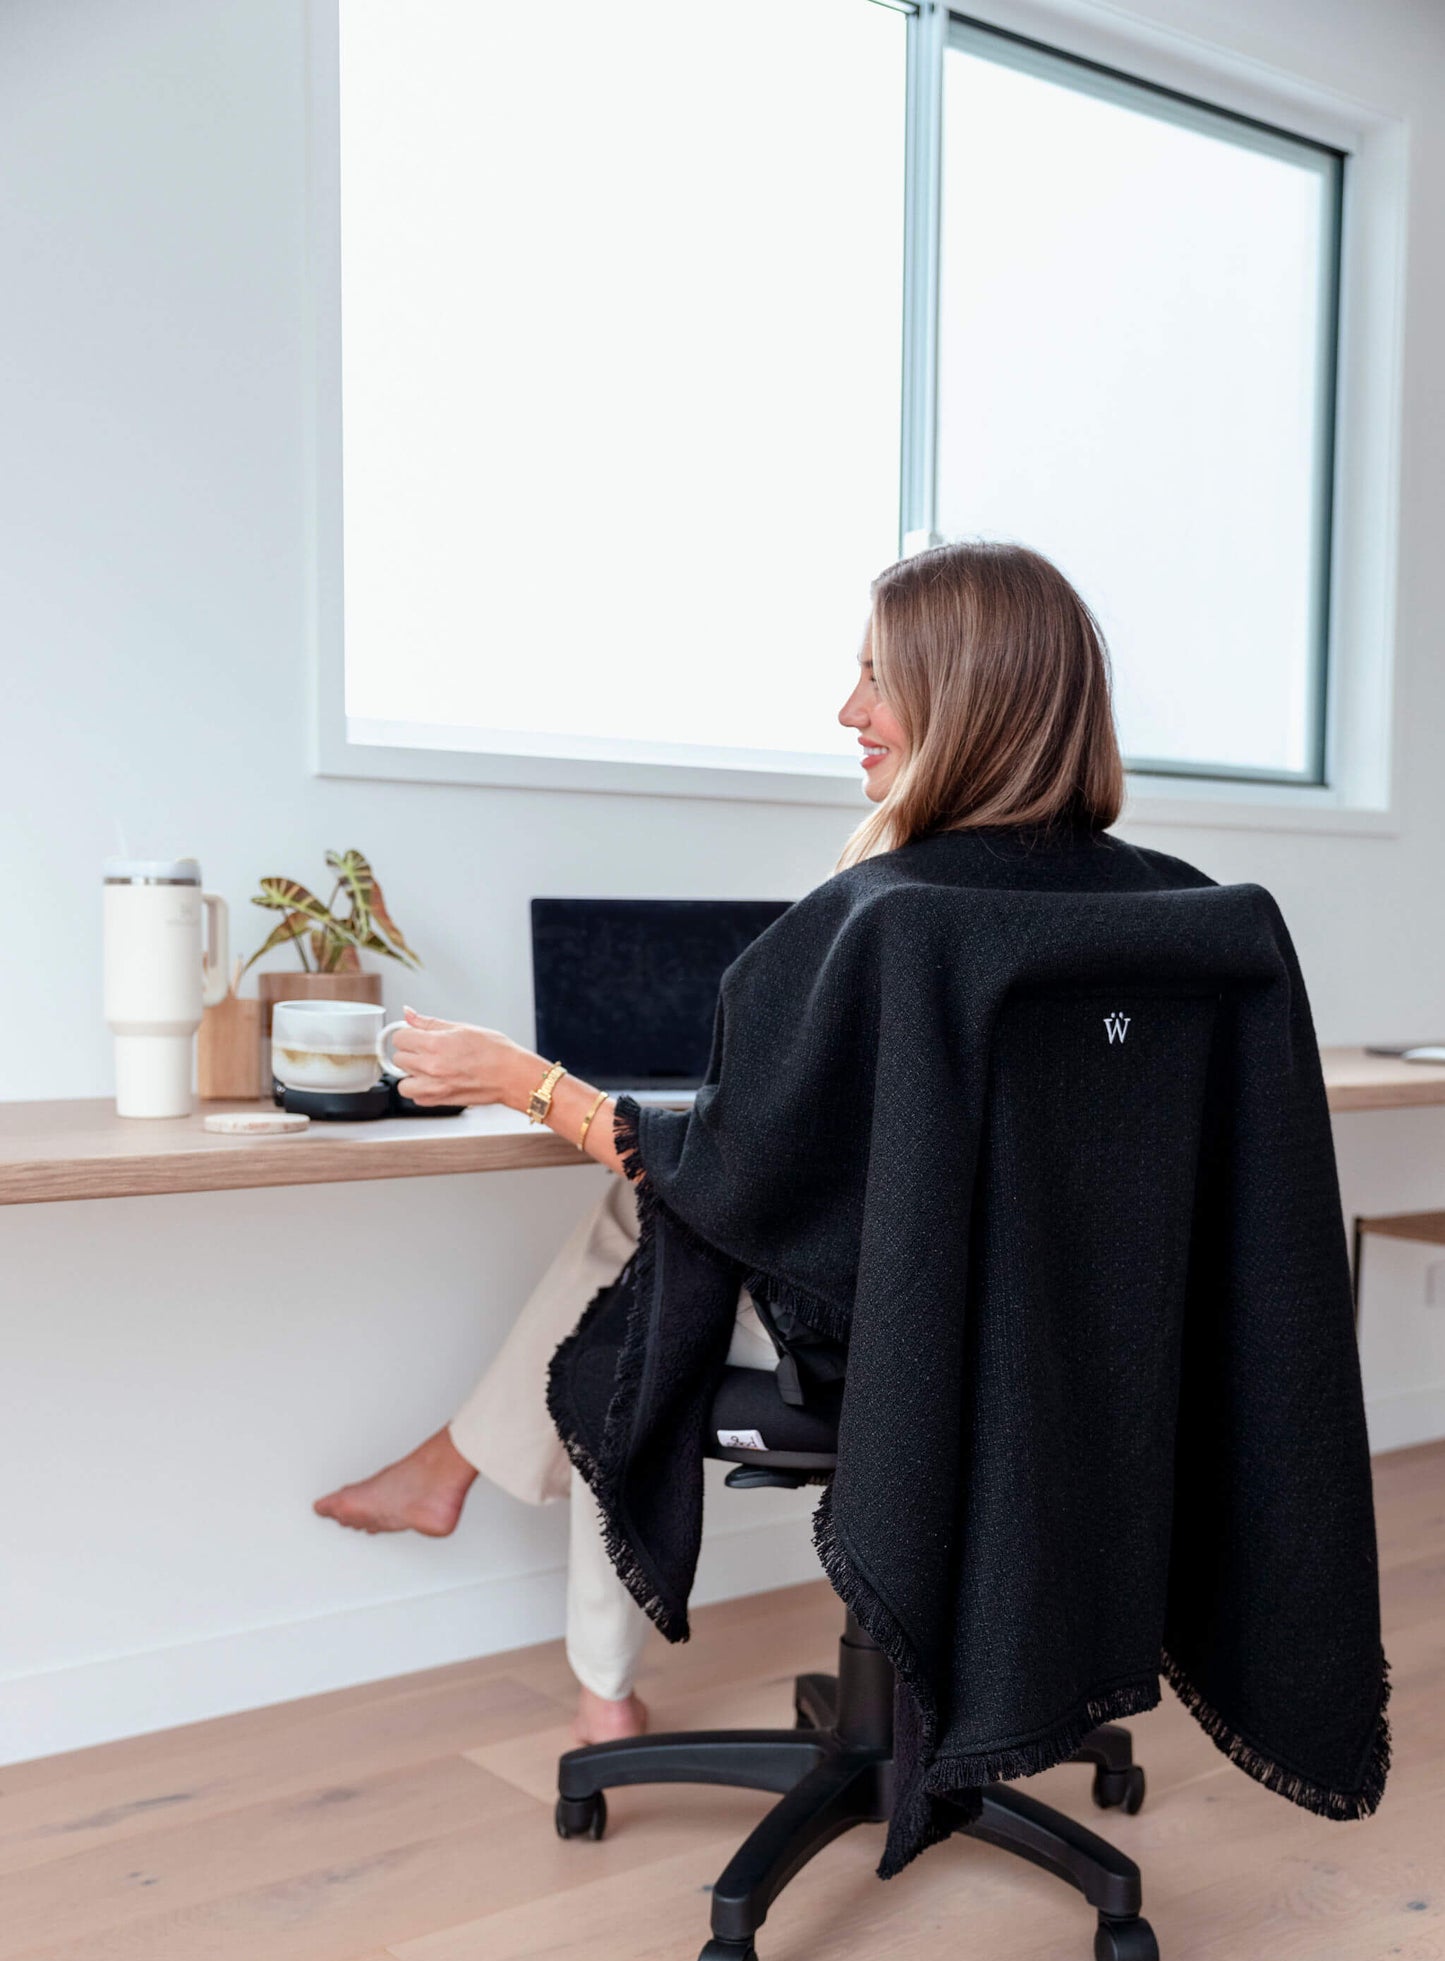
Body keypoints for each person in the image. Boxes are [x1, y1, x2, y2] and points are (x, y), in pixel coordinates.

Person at [313, 540, 1153, 1748]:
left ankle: (570, 1641)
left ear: (965, 698)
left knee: (652, 1251)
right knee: (656, 1234)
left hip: (918, 1351)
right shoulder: (1168, 916)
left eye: (879, 675)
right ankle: (483, 1513)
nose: (847, 709)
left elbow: (734, 1171)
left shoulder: (894, 914)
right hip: (1072, 1346)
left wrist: (520, 1076)